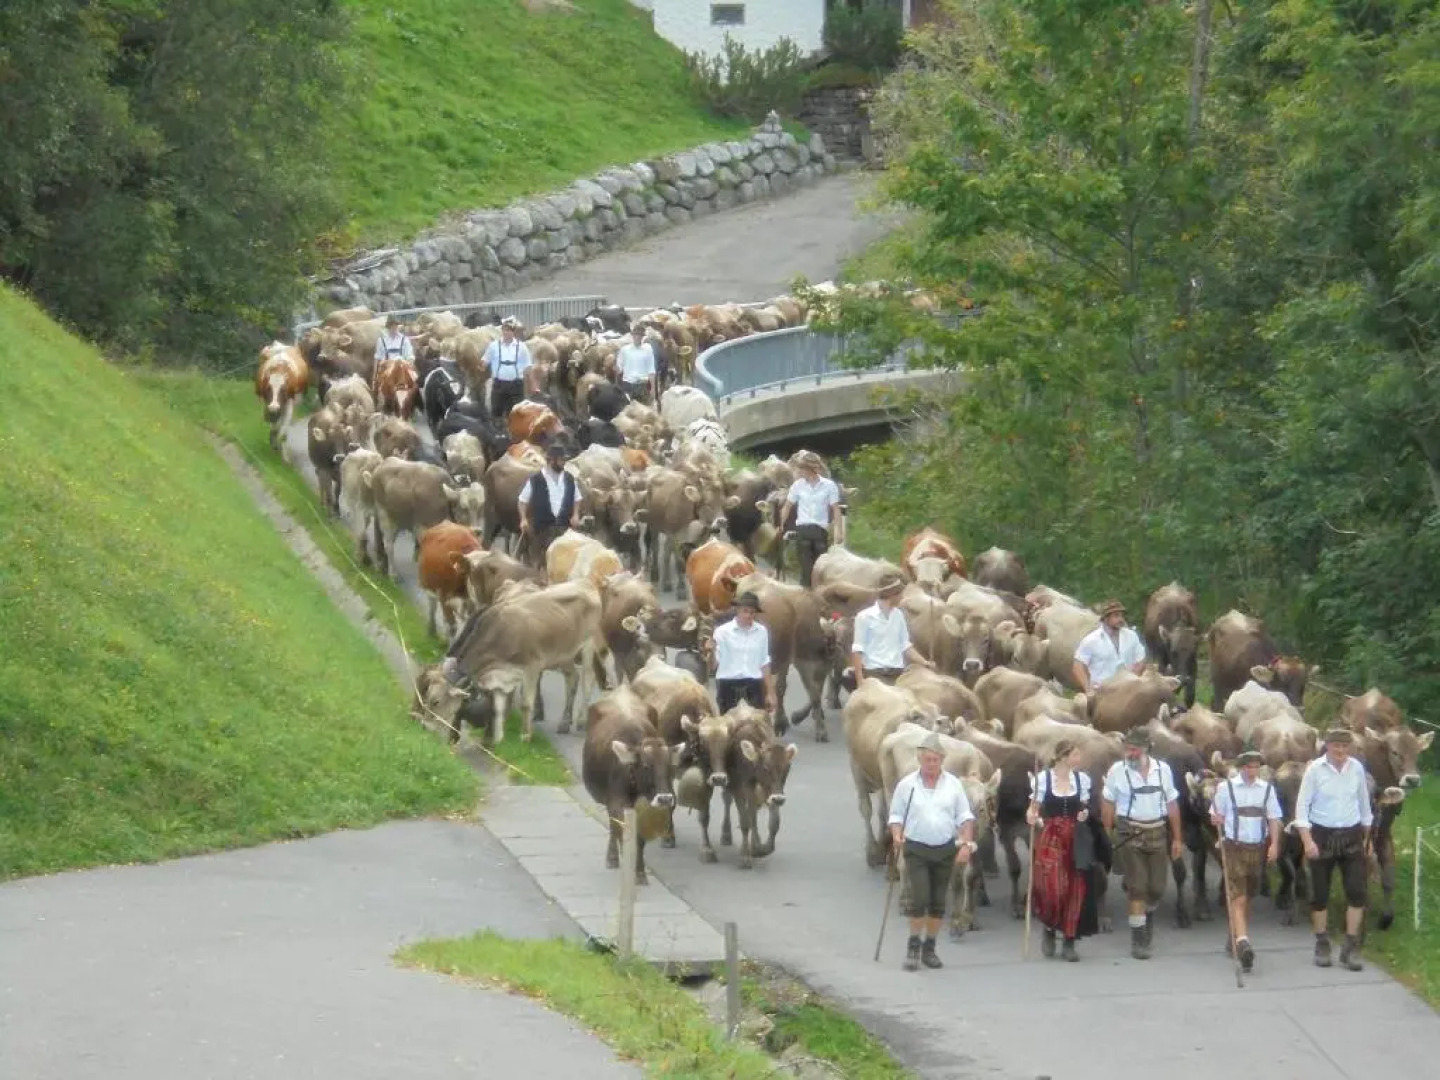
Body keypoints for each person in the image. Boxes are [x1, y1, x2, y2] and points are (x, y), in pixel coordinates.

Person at [887, 732, 977, 971]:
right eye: (927, 759)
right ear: (920, 760)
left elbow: (965, 817)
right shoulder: (907, 785)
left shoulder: (954, 785)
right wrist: (897, 835)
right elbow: (895, 815)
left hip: (945, 849)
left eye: (935, 760)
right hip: (916, 848)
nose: (931, 764)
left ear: (942, 760)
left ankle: (930, 948)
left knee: (937, 903)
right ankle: (913, 947)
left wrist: (966, 845)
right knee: (920, 899)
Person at [1294, 727, 1374, 971]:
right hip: (1321, 835)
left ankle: (1350, 947)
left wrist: (1367, 840)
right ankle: (1322, 943)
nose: (1340, 751)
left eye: (1344, 746)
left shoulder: (1357, 769)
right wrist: (1307, 841)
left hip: (1351, 835)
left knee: (1357, 892)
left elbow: (1364, 806)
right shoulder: (1315, 770)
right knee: (1319, 894)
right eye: (1336, 746)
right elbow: (1301, 808)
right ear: (1327, 746)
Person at [1101, 727, 1183, 960]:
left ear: (1146, 749)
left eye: (1134, 749)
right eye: (1127, 749)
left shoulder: (1163, 770)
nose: (1130, 753)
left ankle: (1146, 915)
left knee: (1156, 888)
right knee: (1138, 887)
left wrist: (1177, 838)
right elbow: (1108, 802)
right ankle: (1138, 939)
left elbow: (1172, 804)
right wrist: (1107, 833)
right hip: (1130, 833)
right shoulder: (1117, 771)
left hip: (1157, 831)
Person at [1209, 748, 1282, 973]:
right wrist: (1216, 819)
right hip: (1233, 847)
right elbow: (1214, 815)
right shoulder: (1225, 788)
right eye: (1249, 766)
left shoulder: (1267, 790)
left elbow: (1274, 818)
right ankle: (1243, 942)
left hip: (1257, 849)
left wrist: (1275, 844)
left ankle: (1236, 935)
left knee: (1248, 896)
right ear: (1241, 768)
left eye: (1256, 766)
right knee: (1238, 897)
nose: (1253, 770)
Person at [1026, 740, 1098, 962]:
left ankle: (1069, 940)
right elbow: (1033, 810)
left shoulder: (1081, 779)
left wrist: (1084, 813)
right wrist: (1032, 817)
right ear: (1064, 756)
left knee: (1075, 889)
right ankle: (1049, 926)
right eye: (1076, 754)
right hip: (1051, 837)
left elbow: (1084, 806)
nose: (1079, 759)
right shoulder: (1044, 780)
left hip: (1076, 838)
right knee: (1053, 889)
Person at [845, 575, 933, 691]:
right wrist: (860, 681)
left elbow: (905, 646)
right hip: (874, 675)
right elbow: (857, 650)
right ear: (891, 594)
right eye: (900, 593)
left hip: (898, 675)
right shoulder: (864, 617)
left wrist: (925, 663)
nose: (902, 596)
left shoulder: (899, 615)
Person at [705, 591, 778, 715]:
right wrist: (711, 651)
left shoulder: (761, 632)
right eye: (745, 611)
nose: (748, 615)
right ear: (737, 610)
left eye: (752, 612)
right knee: (729, 729)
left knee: (756, 729)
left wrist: (770, 693)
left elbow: (764, 663)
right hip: (728, 685)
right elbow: (713, 666)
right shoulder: (722, 632)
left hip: (754, 685)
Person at [782, 452, 842, 588]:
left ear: (809, 470)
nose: (799, 471)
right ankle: (807, 595)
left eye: (801, 468)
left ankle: (818, 595)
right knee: (806, 568)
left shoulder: (829, 485)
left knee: (820, 569)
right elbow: (787, 507)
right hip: (803, 530)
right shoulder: (798, 485)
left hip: (820, 531)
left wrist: (839, 531)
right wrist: (780, 526)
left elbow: (835, 509)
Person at [517, 441, 581, 568]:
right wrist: (523, 519)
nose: (564, 463)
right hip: (542, 530)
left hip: (564, 528)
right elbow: (522, 501)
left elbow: (577, 498)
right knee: (541, 563)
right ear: (552, 461)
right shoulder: (536, 480)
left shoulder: (569, 478)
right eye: (562, 460)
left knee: (564, 562)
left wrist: (576, 514)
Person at [1071, 599, 1146, 693]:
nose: (1121, 619)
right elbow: (1077, 666)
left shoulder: (1131, 635)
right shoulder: (1091, 640)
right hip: (1103, 692)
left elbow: (1140, 659)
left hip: (1128, 689)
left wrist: (1134, 678)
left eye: (1122, 616)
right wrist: (1088, 689)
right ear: (1106, 618)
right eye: (1116, 616)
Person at [485, 317, 534, 421]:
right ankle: (498, 433)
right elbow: (484, 361)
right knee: (496, 412)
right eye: (505, 330)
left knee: (516, 413)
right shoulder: (493, 346)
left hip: (516, 385)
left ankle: (513, 434)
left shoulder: (521, 347)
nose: (507, 333)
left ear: (513, 332)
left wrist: (533, 385)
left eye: (509, 330)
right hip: (499, 384)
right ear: (502, 331)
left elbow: (528, 366)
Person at [615, 323, 657, 404]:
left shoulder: (648, 349)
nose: (638, 337)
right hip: (628, 385)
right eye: (636, 335)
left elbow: (651, 369)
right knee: (628, 410)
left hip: (642, 385)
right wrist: (616, 367)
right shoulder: (624, 350)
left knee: (644, 410)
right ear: (632, 335)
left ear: (643, 337)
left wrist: (653, 388)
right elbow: (619, 370)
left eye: (640, 335)